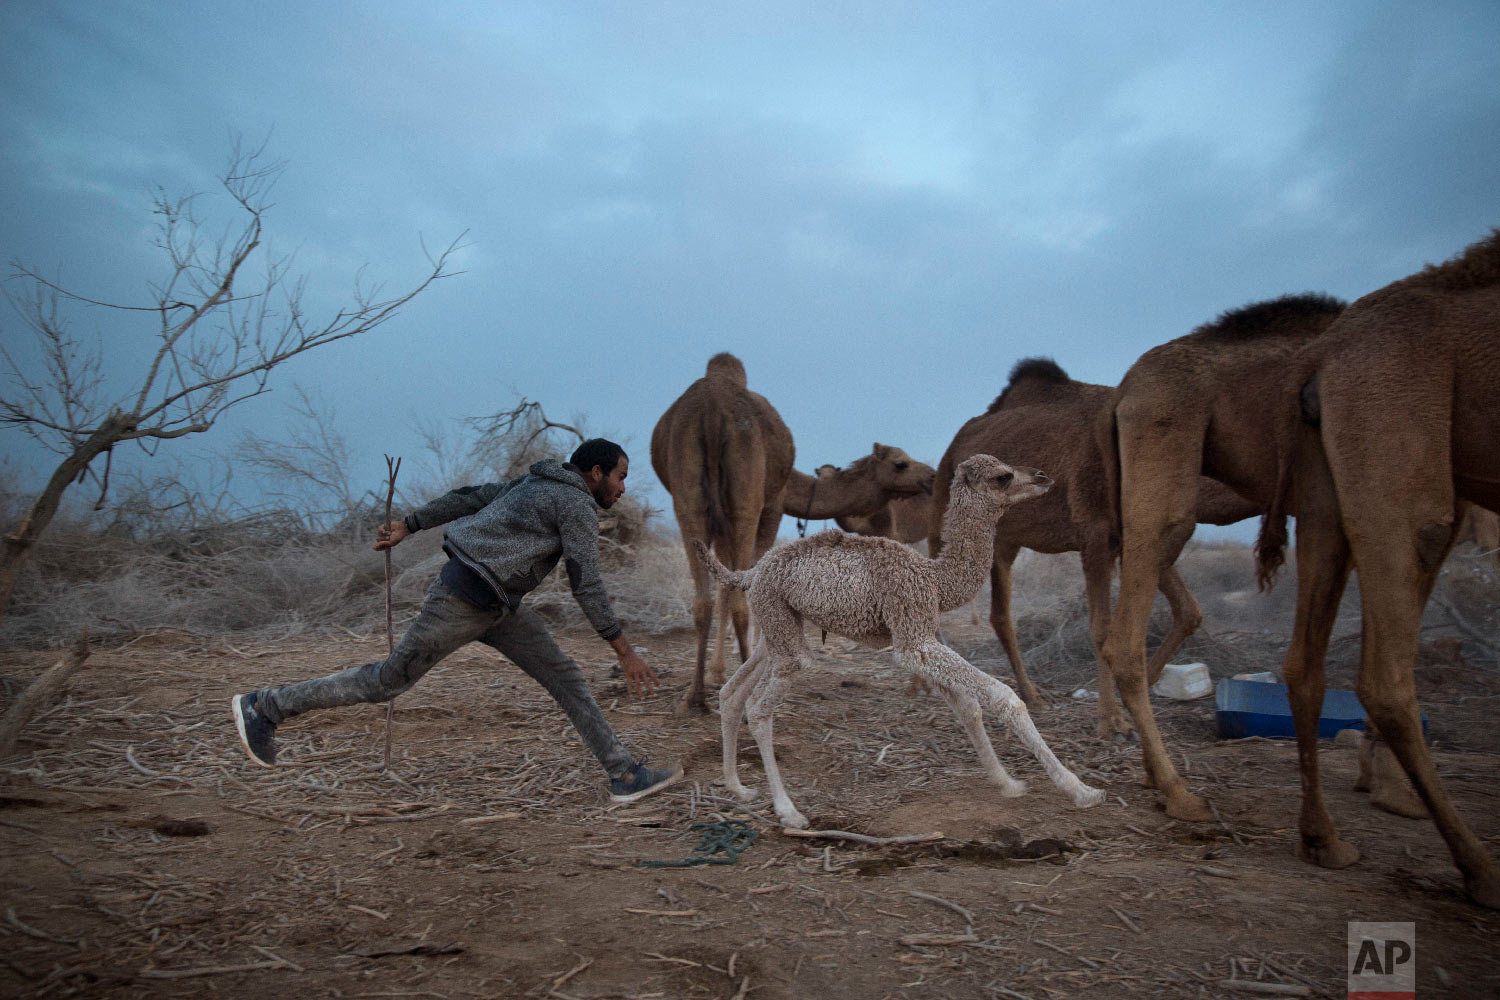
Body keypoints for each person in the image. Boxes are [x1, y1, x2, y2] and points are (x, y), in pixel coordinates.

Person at [231, 438, 683, 803]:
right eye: (621, 477)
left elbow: (470, 498)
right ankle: (265, 706)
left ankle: (623, 774)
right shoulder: (576, 504)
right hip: (462, 602)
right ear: (596, 472)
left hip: (500, 608)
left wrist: (410, 523)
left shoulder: (533, 482)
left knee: (566, 677)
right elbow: (586, 583)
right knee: (387, 681)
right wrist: (624, 651)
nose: (623, 490)